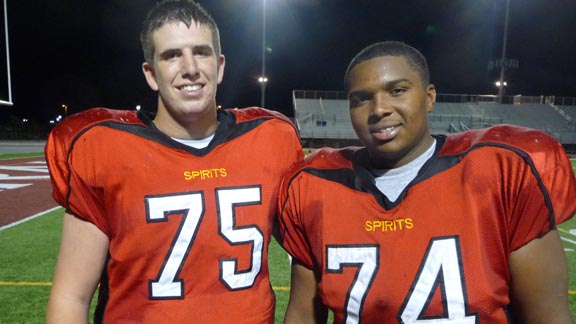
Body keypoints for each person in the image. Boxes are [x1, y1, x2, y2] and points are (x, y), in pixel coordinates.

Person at [277, 41, 576, 323]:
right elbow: (303, 314)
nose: (379, 108)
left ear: (429, 97)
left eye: (397, 90)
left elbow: (547, 315)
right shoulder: (315, 185)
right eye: (362, 98)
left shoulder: (501, 170)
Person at [45, 1, 302, 323]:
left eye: (201, 52)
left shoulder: (270, 139)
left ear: (220, 66)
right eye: (171, 55)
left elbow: (308, 253)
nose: (190, 67)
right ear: (151, 73)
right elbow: (71, 296)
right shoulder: (102, 149)